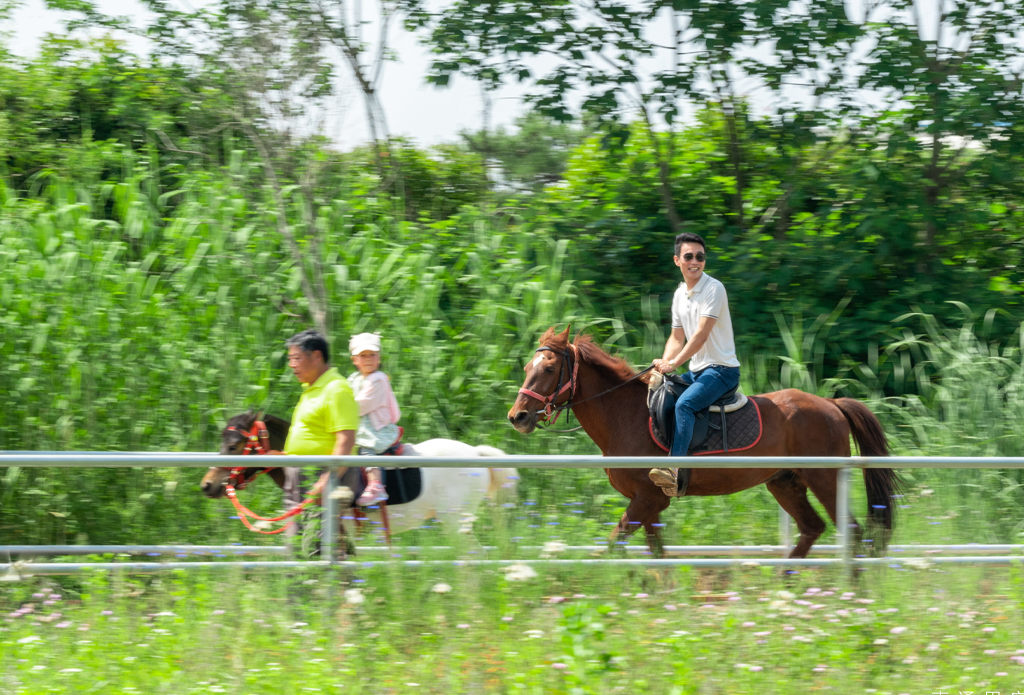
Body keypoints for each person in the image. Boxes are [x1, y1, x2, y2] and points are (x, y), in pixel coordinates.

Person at [648, 232, 741, 497]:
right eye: (688, 256)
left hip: (722, 371)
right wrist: (663, 364)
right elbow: (677, 337)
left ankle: (674, 469)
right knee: (659, 393)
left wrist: (674, 363)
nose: (695, 261)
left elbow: (700, 335)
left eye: (700, 257)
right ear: (677, 260)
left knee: (685, 404)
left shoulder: (714, 288)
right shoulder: (679, 294)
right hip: (697, 372)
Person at [283, 329, 359, 501]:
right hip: (301, 476)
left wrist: (327, 480)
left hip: (321, 476)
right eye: (290, 359)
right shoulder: (311, 389)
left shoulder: (336, 389)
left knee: (319, 528)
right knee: (298, 528)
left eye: (297, 358)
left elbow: (346, 440)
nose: (291, 365)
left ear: (317, 356)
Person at [347, 332, 400, 506]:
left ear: (379, 358)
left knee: (365, 448)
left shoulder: (378, 380)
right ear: (354, 359)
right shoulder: (353, 379)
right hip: (359, 425)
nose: (368, 359)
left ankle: (376, 486)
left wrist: (340, 410)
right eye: (363, 355)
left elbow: (361, 405)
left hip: (376, 429)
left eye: (372, 355)